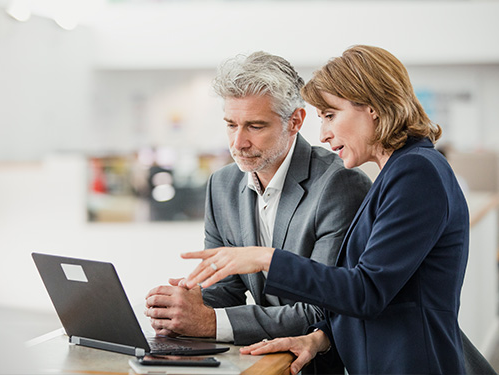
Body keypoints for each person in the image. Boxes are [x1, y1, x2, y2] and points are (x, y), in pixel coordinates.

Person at [181, 45, 470, 374]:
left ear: (372, 107)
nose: (323, 134)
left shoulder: (416, 172)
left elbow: (366, 291)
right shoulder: (400, 171)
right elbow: (380, 291)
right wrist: (321, 337)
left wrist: (265, 258)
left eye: (330, 115)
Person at [144, 51, 372, 347]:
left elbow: (323, 309)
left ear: (295, 121)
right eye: (231, 125)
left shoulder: (339, 184)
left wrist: (211, 323)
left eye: (255, 126)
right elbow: (225, 289)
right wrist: (183, 305)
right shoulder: (222, 185)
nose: (238, 143)